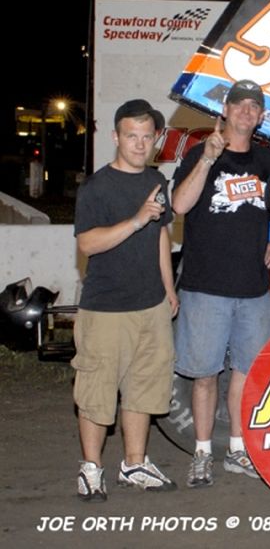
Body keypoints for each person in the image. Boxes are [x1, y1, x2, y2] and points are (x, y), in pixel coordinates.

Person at [172, 80, 270, 488]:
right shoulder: (200, 154)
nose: (246, 111)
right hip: (206, 287)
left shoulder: (266, 161)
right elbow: (180, 206)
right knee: (205, 375)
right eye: (239, 104)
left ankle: (238, 449)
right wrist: (206, 160)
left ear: (260, 116)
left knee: (245, 372)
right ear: (226, 109)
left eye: (254, 106)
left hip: (254, 289)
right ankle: (202, 453)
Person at [72, 99, 178, 502]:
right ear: (116, 137)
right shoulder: (97, 186)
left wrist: (168, 288)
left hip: (150, 305)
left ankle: (134, 463)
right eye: (130, 136)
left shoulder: (156, 181)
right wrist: (135, 220)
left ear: (156, 140)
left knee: (144, 388)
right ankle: (90, 469)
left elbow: (162, 235)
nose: (138, 143)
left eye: (146, 136)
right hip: (106, 309)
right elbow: (87, 242)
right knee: (97, 390)